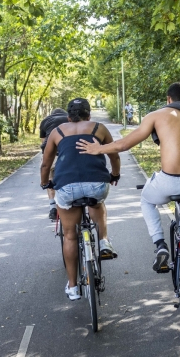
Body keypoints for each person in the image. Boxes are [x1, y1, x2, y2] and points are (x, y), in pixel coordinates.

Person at [77, 82, 180, 310]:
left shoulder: (157, 115)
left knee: (148, 200)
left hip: (167, 181)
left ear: (169, 99)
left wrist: (97, 149)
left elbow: (124, 144)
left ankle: (160, 245)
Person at [41, 98, 121, 301]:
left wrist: (45, 184)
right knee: (97, 202)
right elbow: (114, 155)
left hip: (66, 187)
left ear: (68, 117)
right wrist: (115, 175)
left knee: (69, 236)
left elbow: (46, 164)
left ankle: (73, 287)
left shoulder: (56, 132)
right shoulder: (99, 128)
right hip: (96, 184)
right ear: (89, 115)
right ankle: (103, 242)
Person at [39, 107, 69, 220]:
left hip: (51, 156)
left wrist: (44, 182)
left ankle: (53, 208)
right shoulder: (70, 119)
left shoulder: (45, 120)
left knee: (49, 181)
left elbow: (43, 142)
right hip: (67, 154)